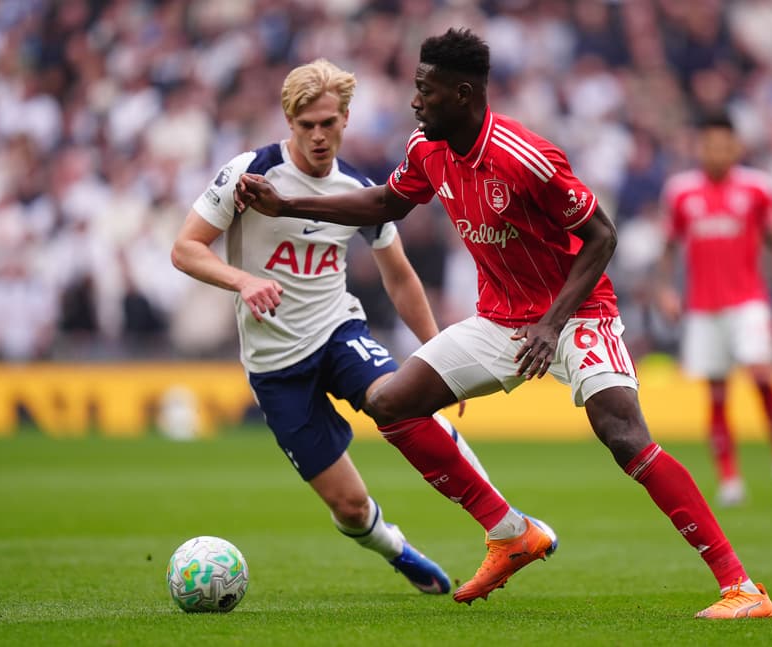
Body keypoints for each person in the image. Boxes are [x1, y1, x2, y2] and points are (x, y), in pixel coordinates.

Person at [235, 28, 772, 619]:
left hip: (575, 312)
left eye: (426, 91)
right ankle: (509, 530)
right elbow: (385, 204)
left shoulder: (526, 157)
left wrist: (551, 324)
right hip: (499, 320)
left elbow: (602, 237)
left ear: (463, 94)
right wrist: (287, 204)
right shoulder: (427, 148)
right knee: (392, 402)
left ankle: (742, 588)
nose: (415, 101)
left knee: (622, 434)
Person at [171, 58, 555, 596]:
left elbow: (400, 277)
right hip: (275, 366)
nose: (319, 135)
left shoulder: (360, 189)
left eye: (329, 122)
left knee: (396, 398)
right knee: (349, 508)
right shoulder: (249, 175)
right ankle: (398, 549)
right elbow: (185, 249)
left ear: (346, 118)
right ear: (289, 122)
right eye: (307, 126)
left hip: (338, 333)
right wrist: (242, 281)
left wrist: (438, 352)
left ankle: (507, 523)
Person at [655, 112, 772, 508]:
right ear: (698, 148)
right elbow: (668, 246)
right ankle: (729, 479)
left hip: (748, 302)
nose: (716, 152)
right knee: (717, 392)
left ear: (736, 148)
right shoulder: (681, 192)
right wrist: (666, 290)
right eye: (708, 145)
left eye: (723, 145)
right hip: (703, 308)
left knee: (761, 376)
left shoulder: (758, 188)